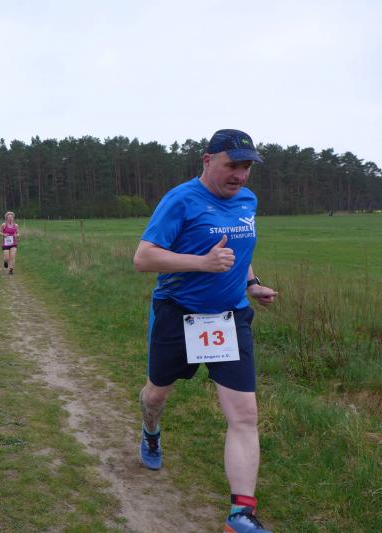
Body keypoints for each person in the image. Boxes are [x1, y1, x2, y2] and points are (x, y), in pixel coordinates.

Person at [132, 129, 278, 533]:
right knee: (156, 394)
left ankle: (241, 515)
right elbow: (143, 258)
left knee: (244, 415)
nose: (240, 176)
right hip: (178, 314)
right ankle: (150, 431)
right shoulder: (181, 199)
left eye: (247, 167)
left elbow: (237, 251)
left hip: (230, 318)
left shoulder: (248, 201)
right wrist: (202, 264)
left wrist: (251, 284)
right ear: (207, 160)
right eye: (233, 165)